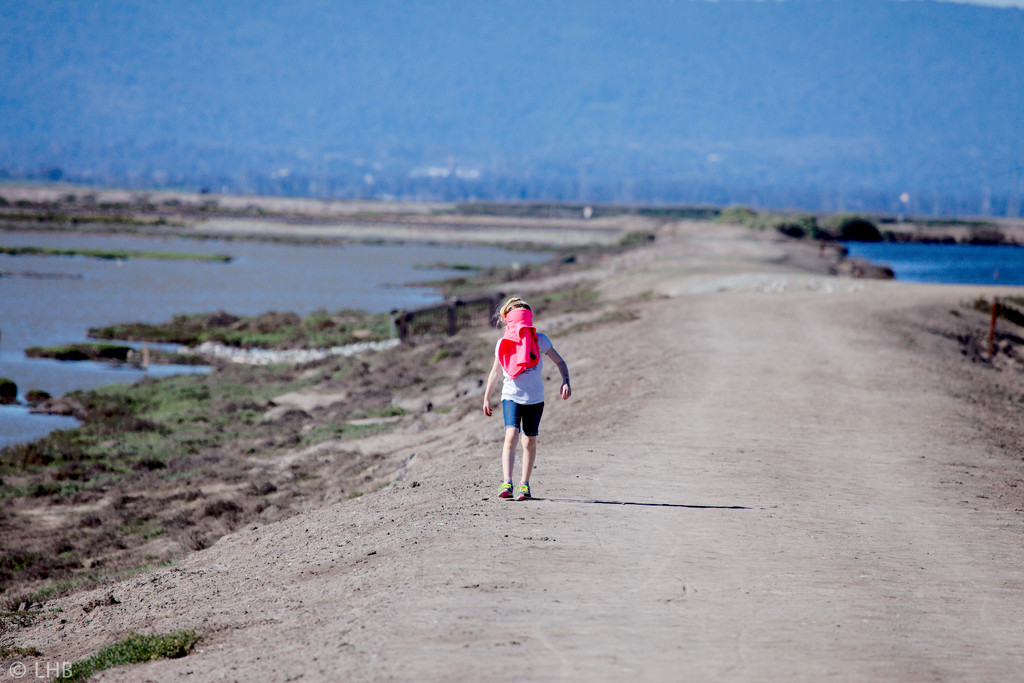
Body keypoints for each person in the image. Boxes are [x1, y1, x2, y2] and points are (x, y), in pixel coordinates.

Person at [482, 296, 571, 501]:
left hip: (535, 398)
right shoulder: (502, 344)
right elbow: (495, 373)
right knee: (511, 435)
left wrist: (566, 381)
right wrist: (487, 398)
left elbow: (560, 362)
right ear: (507, 318)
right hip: (510, 396)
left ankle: (525, 485)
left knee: (529, 440)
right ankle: (507, 482)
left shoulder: (540, 340)